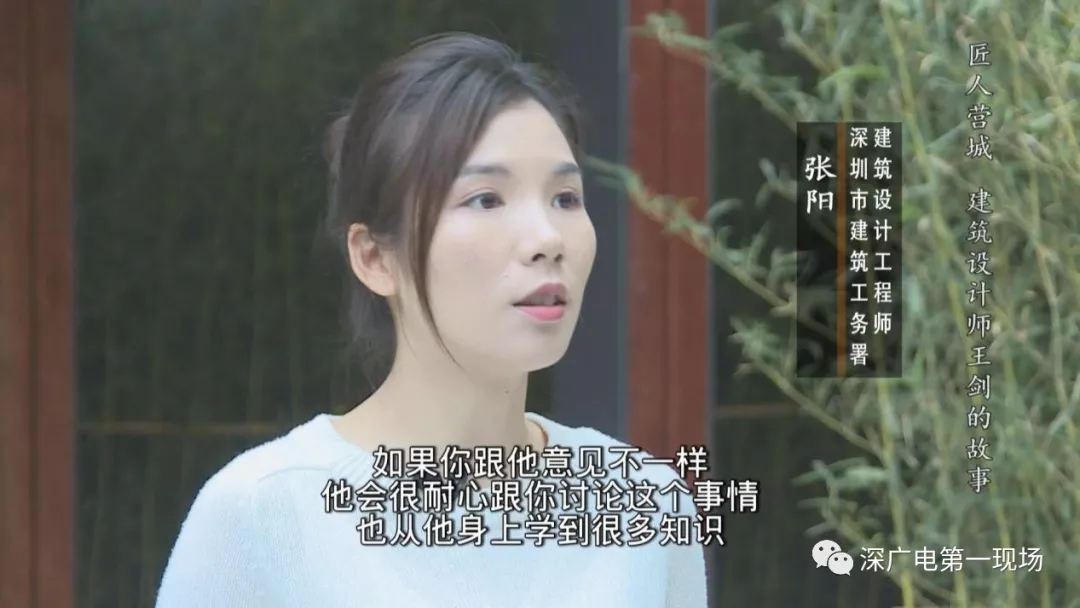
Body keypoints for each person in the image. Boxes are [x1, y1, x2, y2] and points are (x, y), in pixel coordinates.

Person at [156, 32, 707, 608]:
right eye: (486, 199)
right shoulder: (264, 514)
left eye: (565, 198)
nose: (547, 238)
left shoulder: (644, 504)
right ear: (375, 258)